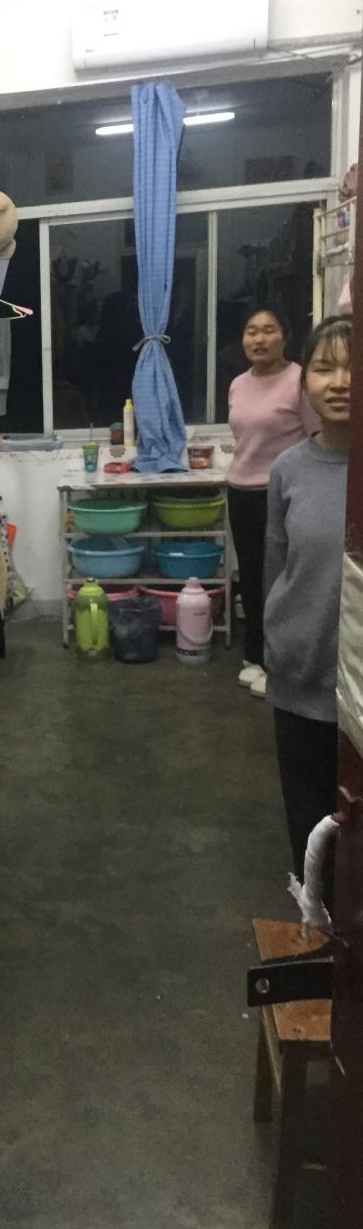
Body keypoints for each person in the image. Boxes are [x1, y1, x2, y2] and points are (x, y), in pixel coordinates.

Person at [264, 316, 352, 907]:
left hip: (360, 685)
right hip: (300, 675)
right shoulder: (289, 469)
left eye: (353, 367)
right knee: (308, 814)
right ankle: (315, 920)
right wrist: (276, 647)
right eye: (324, 368)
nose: (340, 381)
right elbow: (276, 570)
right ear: (305, 383)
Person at [227, 308, 318, 698]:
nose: (259, 339)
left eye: (268, 331)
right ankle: (255, 654)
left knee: (281, 578)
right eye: (251, 331)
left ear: (285, 336)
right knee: (251, 575)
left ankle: (279, 662)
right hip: (240, 491)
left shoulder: (299, 382)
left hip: (283, 495)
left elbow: (316, 440)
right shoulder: (238, 384)